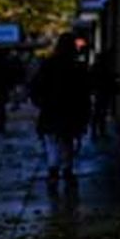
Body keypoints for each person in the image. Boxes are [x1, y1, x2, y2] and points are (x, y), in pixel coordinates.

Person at [30, 36, 91, 184]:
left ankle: (53, 170)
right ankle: (67, 169)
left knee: (52, 141)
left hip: (51, 109)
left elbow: (36, 86)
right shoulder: (77, 66)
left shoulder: (48, 64)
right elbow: (84, 91)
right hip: (71, 110)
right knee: (67, 140)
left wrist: (40, 102)